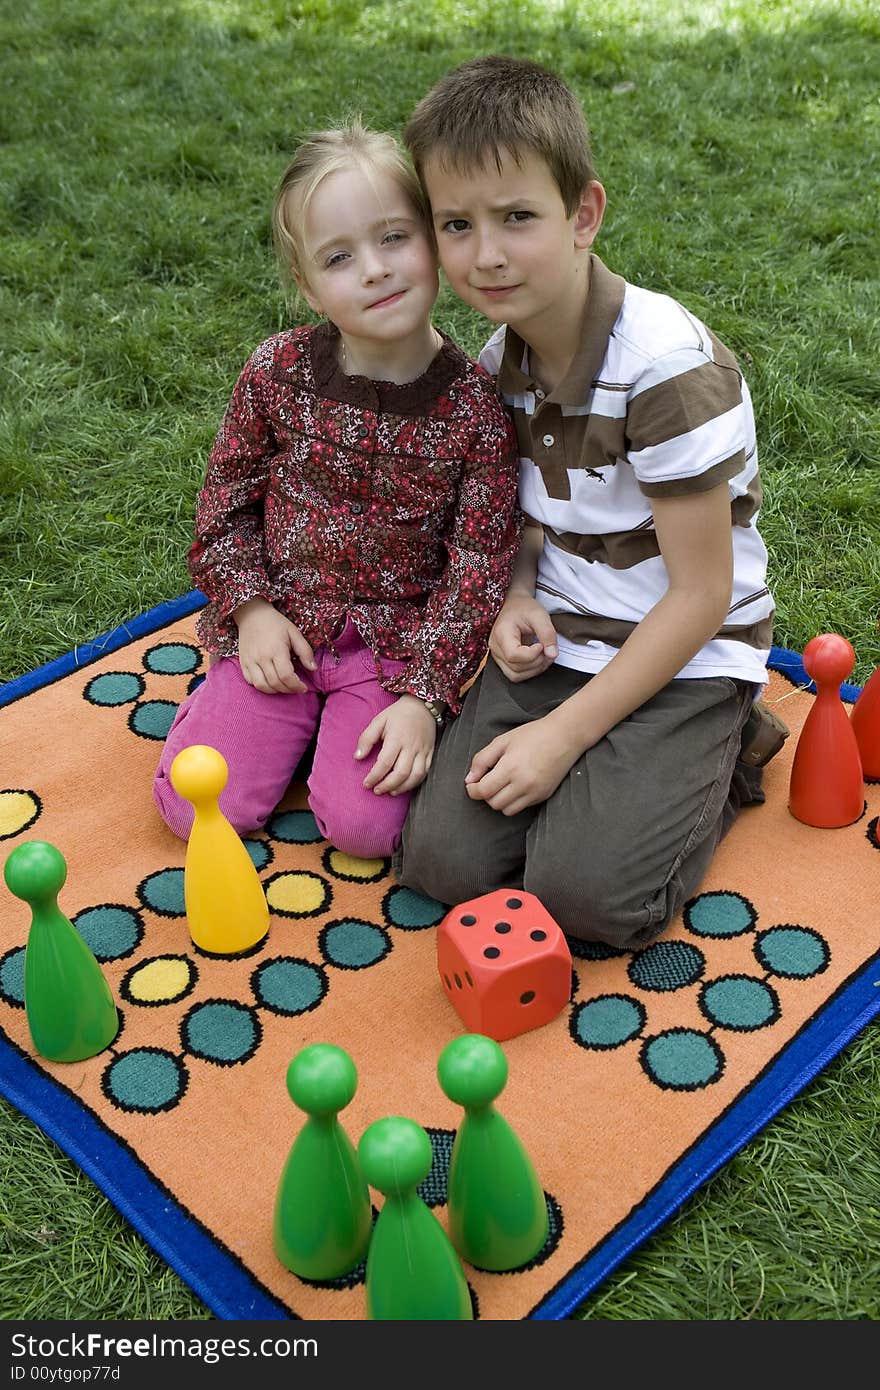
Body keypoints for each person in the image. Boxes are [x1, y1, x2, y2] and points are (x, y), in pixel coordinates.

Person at [393, 56, 782, 950]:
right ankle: (611, 775)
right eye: (457, 224)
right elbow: (527, 515)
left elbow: (700, 595)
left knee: (588, 904)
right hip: (563, 635)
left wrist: (565, 737)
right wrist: (519, 592)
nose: (486, 253)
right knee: (438, 864)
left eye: (517, 218)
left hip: (684, 652)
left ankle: (727, 749)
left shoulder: (666, 372)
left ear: (583, 215)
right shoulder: (497, 365)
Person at [153, 119, 522, 859]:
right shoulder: (276, 373)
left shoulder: (477, 411)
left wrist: (422, 696)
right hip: (279, 632)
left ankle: (343, 732)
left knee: (367, 830)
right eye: (339, 257)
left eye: (394, 238)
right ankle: (239, 705)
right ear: (308, 285)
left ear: (431, 240)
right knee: (197, 807)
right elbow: (223, 508)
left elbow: (477, 571)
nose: (377, 270)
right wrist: (250, 611)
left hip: (391, 650)